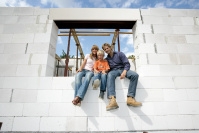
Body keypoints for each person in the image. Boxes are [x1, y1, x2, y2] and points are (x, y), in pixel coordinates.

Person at [102, 43, 142, 111]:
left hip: (123, 69)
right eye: (105, 49)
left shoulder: (120, 54)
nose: (106, 50)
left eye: (107, 48)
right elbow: (106, 68)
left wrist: (124, 71)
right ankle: (112, 100)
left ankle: (130, 98)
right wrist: (104, 71)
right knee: (110, 75)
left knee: (135, 75)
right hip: (113, 71)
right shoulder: (106, 59)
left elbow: (126, 63)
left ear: (110, 47)